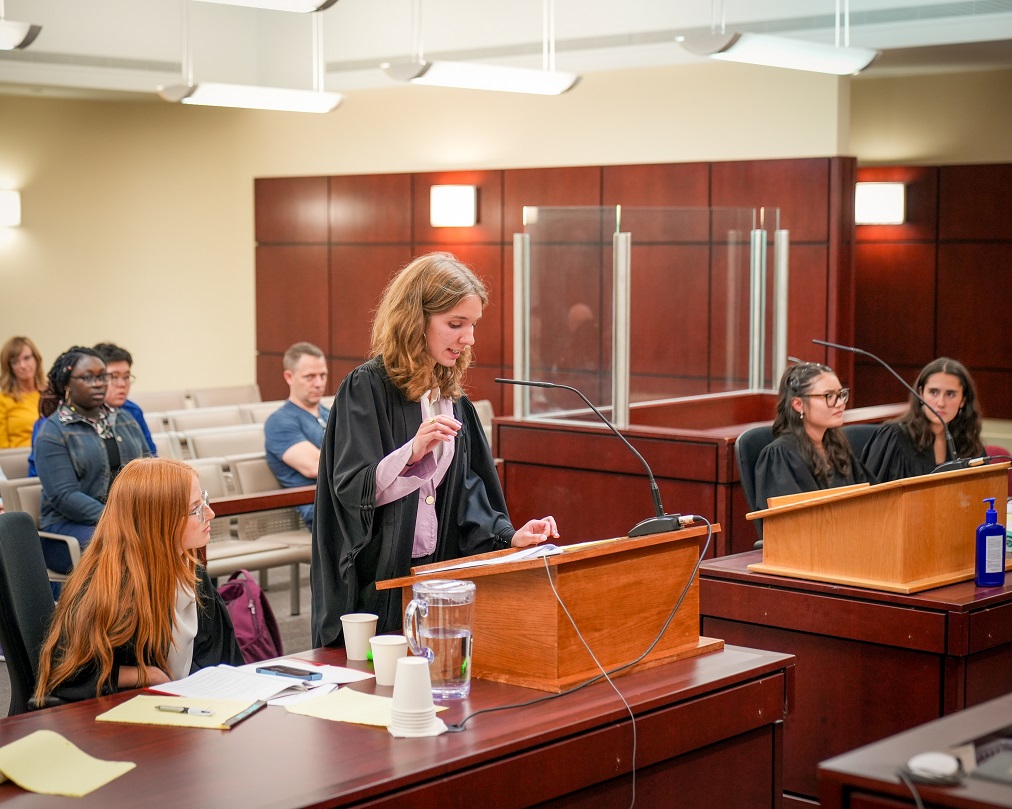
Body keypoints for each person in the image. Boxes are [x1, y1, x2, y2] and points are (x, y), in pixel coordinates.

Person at [311, 252, 559, 646]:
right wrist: (412, 450)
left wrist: (508, 536)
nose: (469, 338)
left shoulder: (453, 398)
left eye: (472, 325)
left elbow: (467, 491)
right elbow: (351, 490)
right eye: (455, 324)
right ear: (415, 320)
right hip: (378, 576)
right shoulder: (366, 388)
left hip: (436, 571)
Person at [33, 457, 244, 704]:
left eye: (204, 501)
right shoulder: (111, 594)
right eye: (196, 508)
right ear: (159, 521)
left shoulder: (191, 575)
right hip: (122, 722)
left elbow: (224, 662)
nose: (210, 513)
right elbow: (67, 676)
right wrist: (144, 674)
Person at [34, 346, 149, 575]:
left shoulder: (124, 419)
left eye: (102, 376)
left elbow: (147, 468)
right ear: (67, 383)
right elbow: (64, 496)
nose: (98, 383)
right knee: (125, 548)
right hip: (66, 530)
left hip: (124, 520)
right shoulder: (53, 432)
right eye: (88, 378)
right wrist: (117, 519)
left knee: (177, 538)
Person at [754, 362, 870, 507]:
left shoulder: (836, 447)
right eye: (829, 395)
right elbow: (791, 522)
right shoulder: (781, 456)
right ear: (798, 404)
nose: (840, 402)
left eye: (841, 394)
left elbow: (870, 498)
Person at [862, 357, 984, 482]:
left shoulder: (969, 443)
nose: (941, 403)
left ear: (963, 400)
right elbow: (869, 495)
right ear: (921, 394)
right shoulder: (894, 437)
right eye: (933, 392)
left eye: (950, 394)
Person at [265, 342, 329, 531]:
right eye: (309, 376)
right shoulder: (279, 422)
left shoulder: (332, 413)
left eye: (322, 375)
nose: (318, 383)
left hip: (350, 501)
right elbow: (315, 466)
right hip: (322, 511)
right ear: (289, 377)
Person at [93, 342, 158, 455]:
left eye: (126, 377)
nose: (122, 384)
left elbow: (150, 456)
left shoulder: (132, 411)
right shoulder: (81, 416)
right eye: (113, 377)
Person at [0, 336, 44, 448]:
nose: (23, 366)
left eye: (27, 358)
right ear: (9, 367)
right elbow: (3, 451)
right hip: (19, 460)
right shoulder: (4, 400)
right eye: (15, 362)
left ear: (36, 359)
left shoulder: (49, 394)